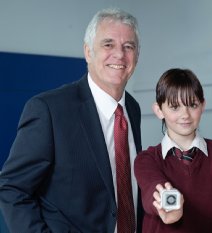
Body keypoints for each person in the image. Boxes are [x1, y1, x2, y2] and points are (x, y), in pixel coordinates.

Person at [0, 8, 143, 233]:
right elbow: (12, 189)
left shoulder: (132, 109)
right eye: (108, 44)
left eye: (129, 46)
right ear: (88, 52)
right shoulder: (49, 110)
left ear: (137, 55)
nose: (119, 54)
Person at [134, 68, 212, 233]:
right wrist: (167, 204)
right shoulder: (146, 159)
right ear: (159, 110)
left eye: (192, 105)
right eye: (175, 107)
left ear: (203, 105)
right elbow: (153, 190)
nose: (185, 115)